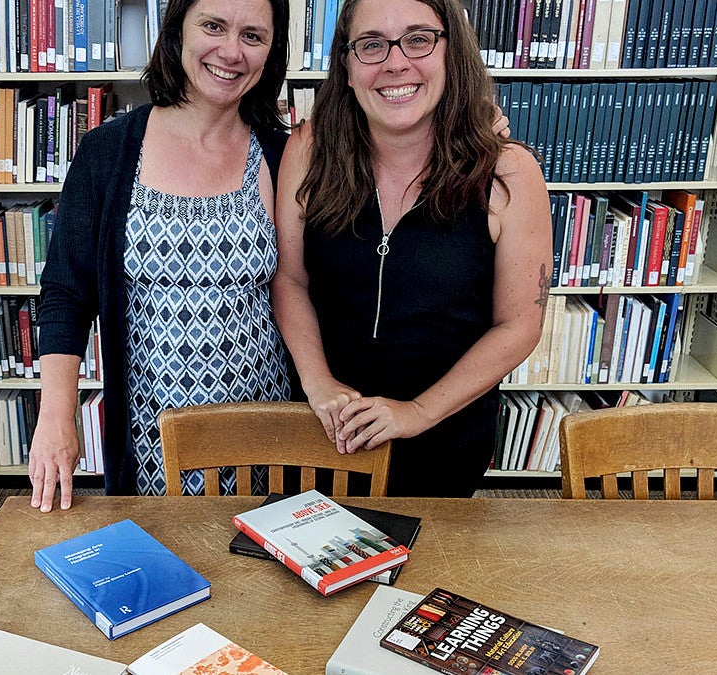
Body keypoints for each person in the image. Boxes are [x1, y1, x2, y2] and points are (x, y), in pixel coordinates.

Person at [271, 0, 552, 496]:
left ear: (451, 54)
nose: (395, 62)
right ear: (347, 63)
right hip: (323, 430)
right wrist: (319, 385)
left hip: (444, 437)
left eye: (419, 39)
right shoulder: (308, 150)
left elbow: (520, 324)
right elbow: (291, 279)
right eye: (372, 44)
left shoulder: (509, 173)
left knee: (425, 571)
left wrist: (416, 413)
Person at [30, 0, 293, 507]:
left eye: (253, 36)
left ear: (272, 50)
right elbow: (66, 291)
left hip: (264, 429)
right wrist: (56, 415)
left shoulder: (286, 155)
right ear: (178, 31)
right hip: (150, 434)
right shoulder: (106, 152)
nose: (231, 52)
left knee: (261, 574)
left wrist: (480, 135)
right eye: (213, 26)